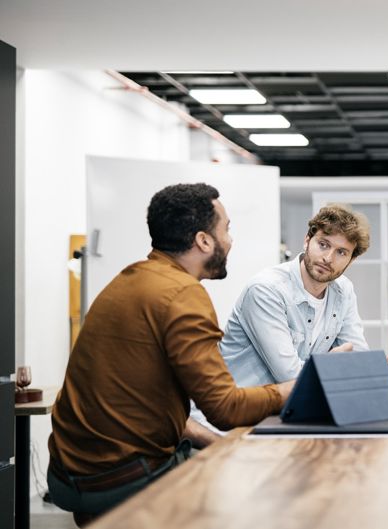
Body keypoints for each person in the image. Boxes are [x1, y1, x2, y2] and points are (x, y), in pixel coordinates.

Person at [47, 183, 295, 525]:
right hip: (119, 477)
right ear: (204, 241)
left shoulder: (129, 278)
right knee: (259, 495)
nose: (231, 240)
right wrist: (292, 388)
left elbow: (143, 407)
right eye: (227, 229)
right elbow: (225, 408)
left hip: (69, 472)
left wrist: (217, 443)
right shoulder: (183, 294)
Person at [186, 205, 370, 445]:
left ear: (351, 260)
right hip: (227, 429)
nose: (328, 258)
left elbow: (360, 361)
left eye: (341, 252)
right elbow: (290, 376)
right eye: (323, 244)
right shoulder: (266, 290)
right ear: (307, 240)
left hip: (284, 421)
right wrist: (331, 367)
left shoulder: (343, 290)